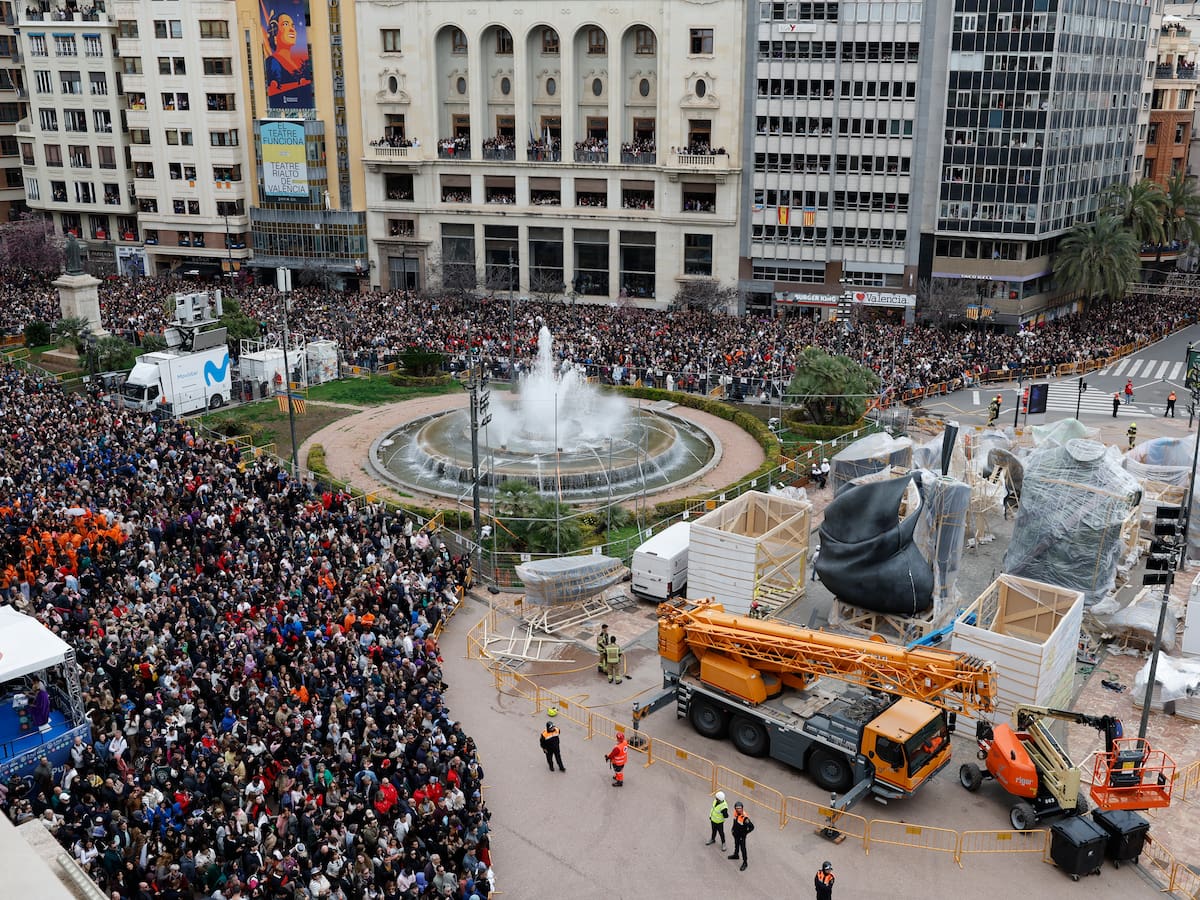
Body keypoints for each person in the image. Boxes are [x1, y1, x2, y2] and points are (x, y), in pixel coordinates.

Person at [727, 800, 754, 870]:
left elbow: (752, 827)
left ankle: (745, 862)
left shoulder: (745, 818)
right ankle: (736, 855)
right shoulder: (735, 813)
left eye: (740, 808)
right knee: (736, 844)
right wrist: (732, 829)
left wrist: (745, 833)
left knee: (743, 849)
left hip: (742, 836)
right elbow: (735, 822)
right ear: (735, 808)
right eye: (737, 808)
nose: (738, 809)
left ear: (742, 808)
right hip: (736, 833)